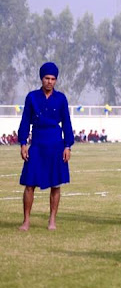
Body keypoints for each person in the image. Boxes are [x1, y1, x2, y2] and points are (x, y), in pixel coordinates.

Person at [17, 62, 74, 231]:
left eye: (53, 79)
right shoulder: (32, 97)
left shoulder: (61, 98)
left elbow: (67, 123)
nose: (50, 81)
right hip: (37, 143)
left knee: (56, 184)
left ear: (56, 80)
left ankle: (52, 220)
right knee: (29, 184)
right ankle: (26, 221)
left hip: (56, 143)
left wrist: (68, 146)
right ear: (41, 79)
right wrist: (23, 143)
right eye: (47, 78)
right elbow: (25, 121)